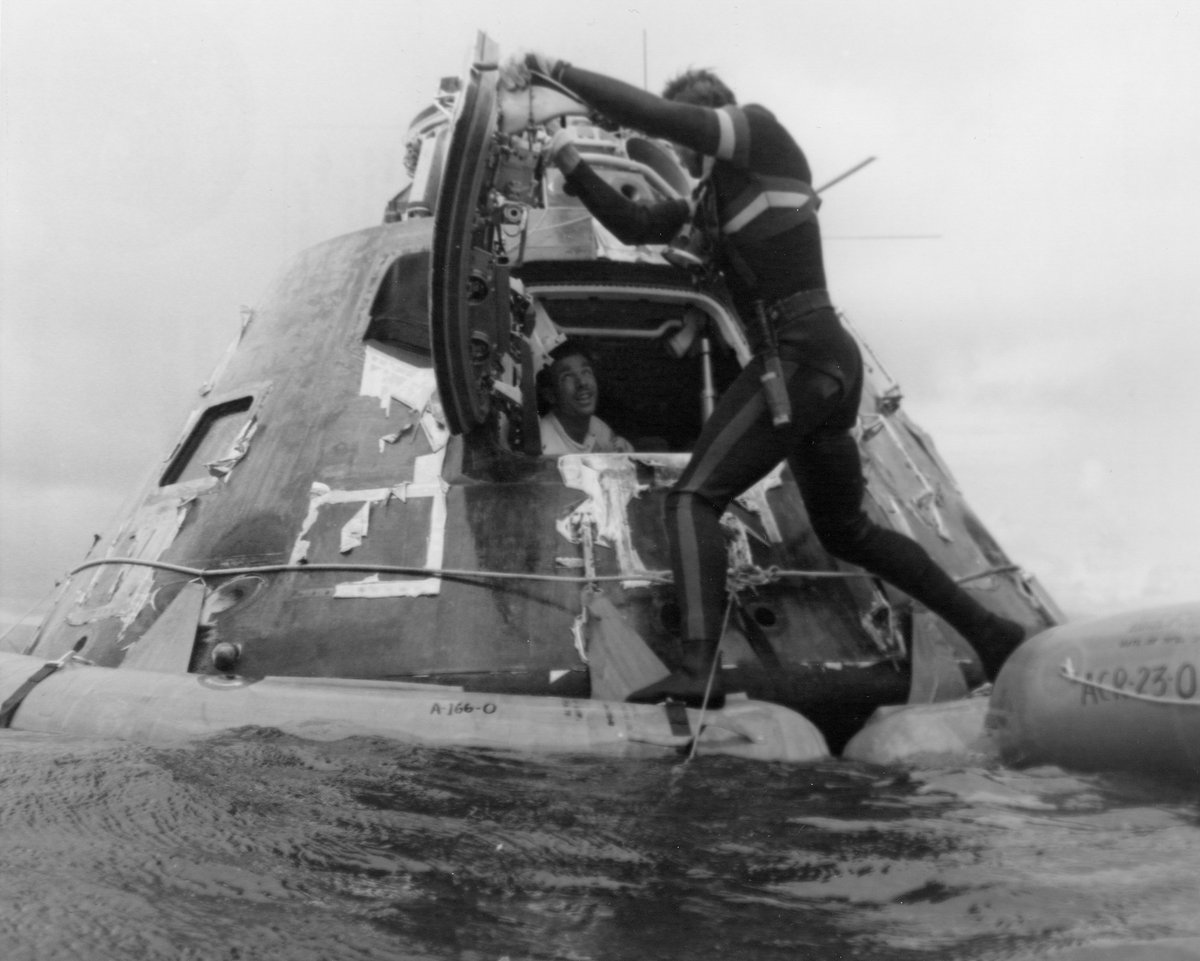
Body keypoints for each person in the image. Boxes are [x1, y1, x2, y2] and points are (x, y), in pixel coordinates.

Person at [518, 55, 1026, 707]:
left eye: (686, 140)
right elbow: (637, 226)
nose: (683, 149)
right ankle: (993, 633)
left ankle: (698, 672)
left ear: (712, 118)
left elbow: (659, 114)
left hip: (798, 357)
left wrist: (560, 74)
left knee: (693, 499)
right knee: (847, 529)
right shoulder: (710, 203)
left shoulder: (758, 132)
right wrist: (569, 159)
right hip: (826, 363)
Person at [539, 341, 633, 455]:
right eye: (567, 376)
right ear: (550, 395)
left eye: (586, 372)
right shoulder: (543, 442)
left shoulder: (599, 429)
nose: (582, 382)